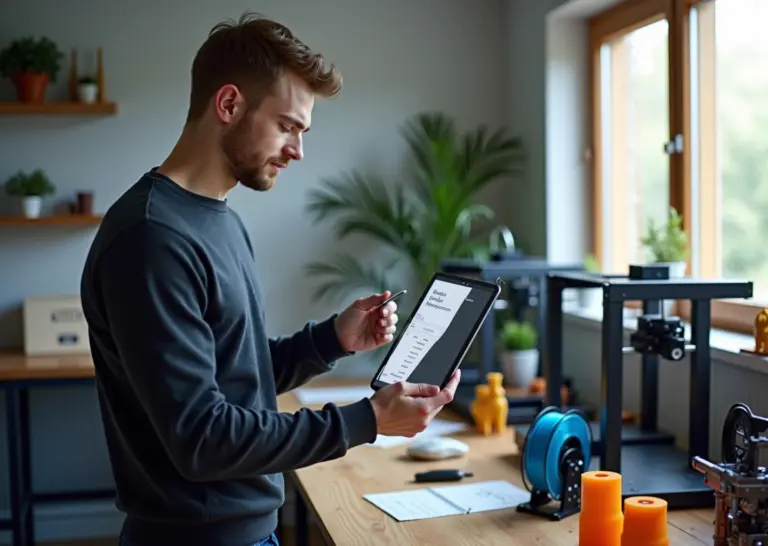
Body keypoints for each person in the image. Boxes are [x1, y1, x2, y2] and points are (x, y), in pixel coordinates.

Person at [79, 11, 460, 546]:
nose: (298, 151)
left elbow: (238, 380)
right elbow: (203, 437)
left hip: (247, 531)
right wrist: (366, 421)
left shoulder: (220, 220)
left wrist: (332, 339)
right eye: (288, 127)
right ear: (229, 104)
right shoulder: (151, 239)